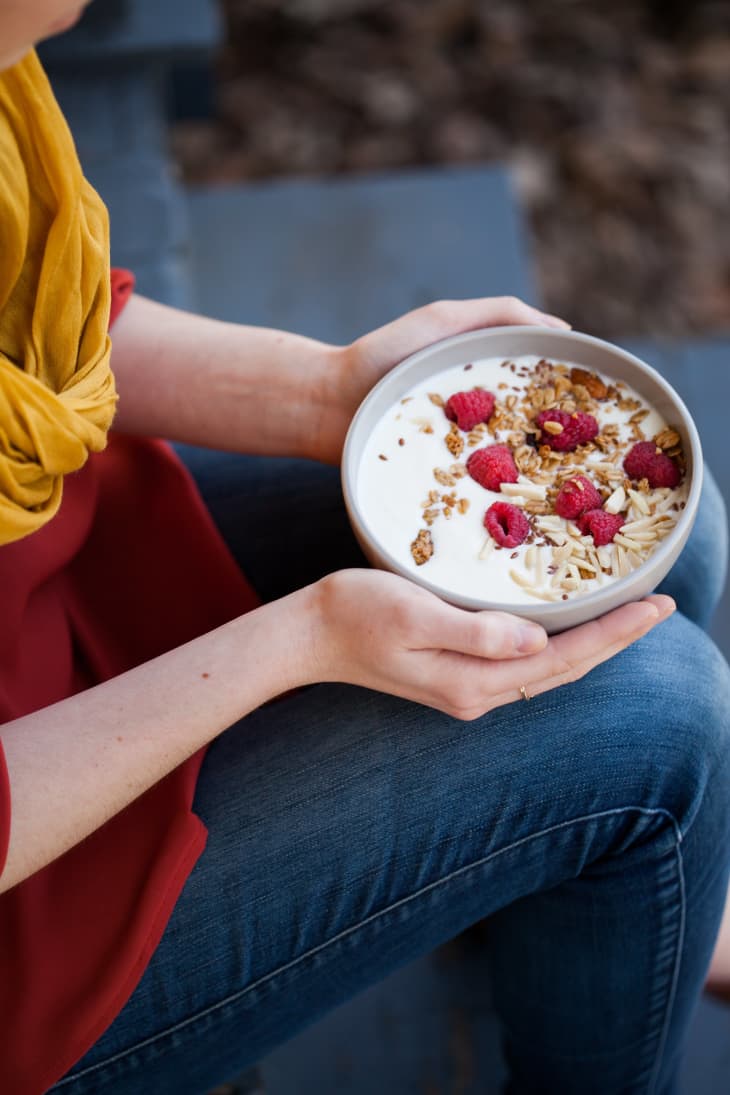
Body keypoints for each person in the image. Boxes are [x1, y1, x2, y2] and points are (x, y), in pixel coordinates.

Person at [1, 3, 729, 1093]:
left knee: (682, 531)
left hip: (72, 585)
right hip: (39, 922)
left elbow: (44, 330)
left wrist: (327, 388)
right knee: (661, 722)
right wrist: (301, 641)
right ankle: (627, 843)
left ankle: (593, 875)